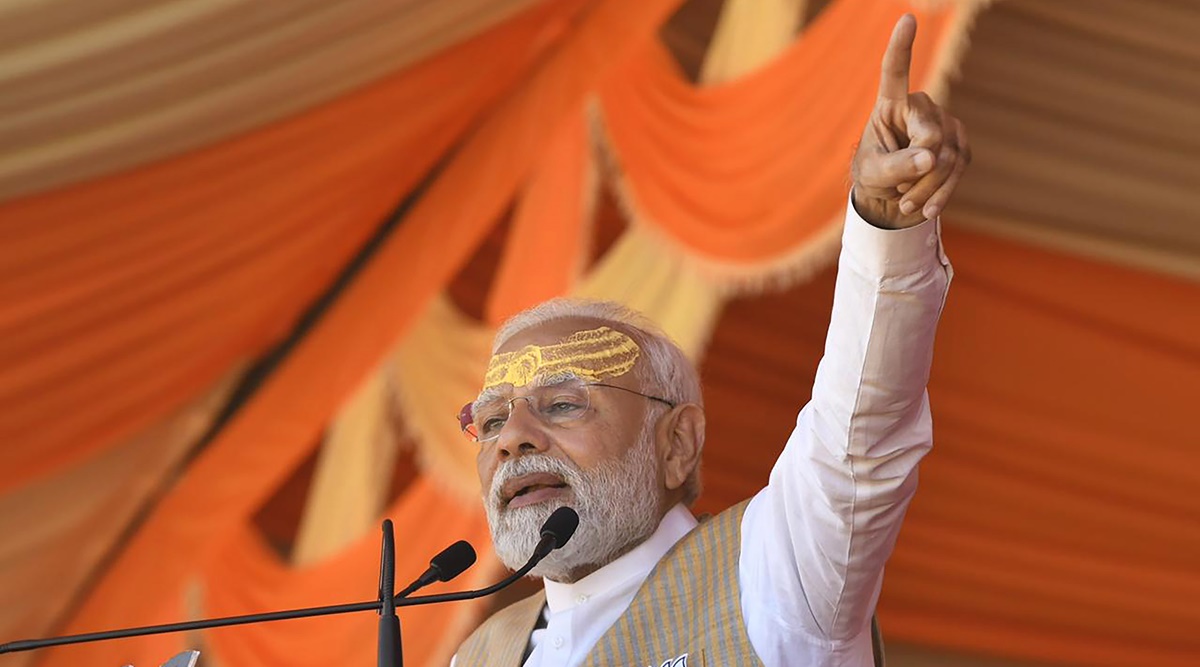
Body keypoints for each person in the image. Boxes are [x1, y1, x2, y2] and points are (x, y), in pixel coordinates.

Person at [450, 14, 967, 667]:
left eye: (562, 404)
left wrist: (884, 224)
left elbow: (861, 433)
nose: (512, 439)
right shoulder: (479, 655)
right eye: (493, 419)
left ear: (677, 444)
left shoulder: (773, 573)